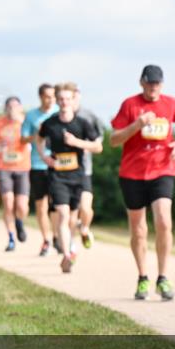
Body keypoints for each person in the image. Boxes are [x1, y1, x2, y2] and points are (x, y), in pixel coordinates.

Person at [110, 64, 175, 301]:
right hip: (133, 173)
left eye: (157, 84)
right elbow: (114, 140)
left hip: (162, 169)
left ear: (161, 84)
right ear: (142, 82)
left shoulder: (170, 103)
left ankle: (163, 277)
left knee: (164, 221)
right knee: (139, 229)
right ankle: (143, 277)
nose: (153, 88)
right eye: (149, 83)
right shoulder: (130, 105)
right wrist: (137, 125)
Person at [37, 82, 102, 273]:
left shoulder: (82, 124)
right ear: (56, 100)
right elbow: (38, 139)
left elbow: (98, 147)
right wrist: (44, 156)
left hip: (78, 176)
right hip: (58, 176)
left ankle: (72, 244)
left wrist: (77, 142)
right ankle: (66, 255)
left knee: (74, 218)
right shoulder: (50, 123)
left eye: (68, 99)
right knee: (63, 215)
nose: (64, 102)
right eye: (61, 99)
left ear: (73, 99)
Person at [0, 96, 31, 251]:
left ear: (20, 108)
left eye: (15, 106)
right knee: (8, 203)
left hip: (23, 167)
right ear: (5, 108)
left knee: (22, 206)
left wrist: (23, 126)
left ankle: (20, 222)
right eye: (9, 106)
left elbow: (37, 137)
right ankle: (10, 238)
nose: (12, 109)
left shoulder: (26, 122)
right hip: (4, 168)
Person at [22, 84, 57, 255]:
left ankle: (58, 236)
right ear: (40, 97)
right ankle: (46, 240)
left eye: (53, 96)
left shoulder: (59, 112)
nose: (51, 100)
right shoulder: (31, 115)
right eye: (47, 96)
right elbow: (22, 139)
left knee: (57, 205)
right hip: (37, 164)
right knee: (41, 206)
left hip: (57, 165)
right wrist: (38, 134)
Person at [72, 89, 102, 249]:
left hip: (84, 168)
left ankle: (84, 227)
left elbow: (99, 138)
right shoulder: (59, 118)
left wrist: (85, 145)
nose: (72, 101)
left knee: (86, 208)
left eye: (75, 97)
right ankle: (69, 248)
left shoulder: (88, 116)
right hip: (64, 171)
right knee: (69, 211)